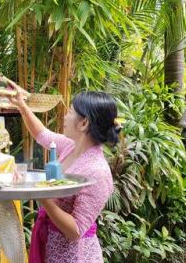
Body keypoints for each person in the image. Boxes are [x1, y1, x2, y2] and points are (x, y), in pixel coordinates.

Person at [7, 79, 118, 263]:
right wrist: (21, 104)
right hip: (50, 246)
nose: (65, 116)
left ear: (84, 123)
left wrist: (43, 196)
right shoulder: (70, 146)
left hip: (75, 256)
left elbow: (75, 231)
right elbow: (41, 133)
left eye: (70, 112)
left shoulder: (98, 171)